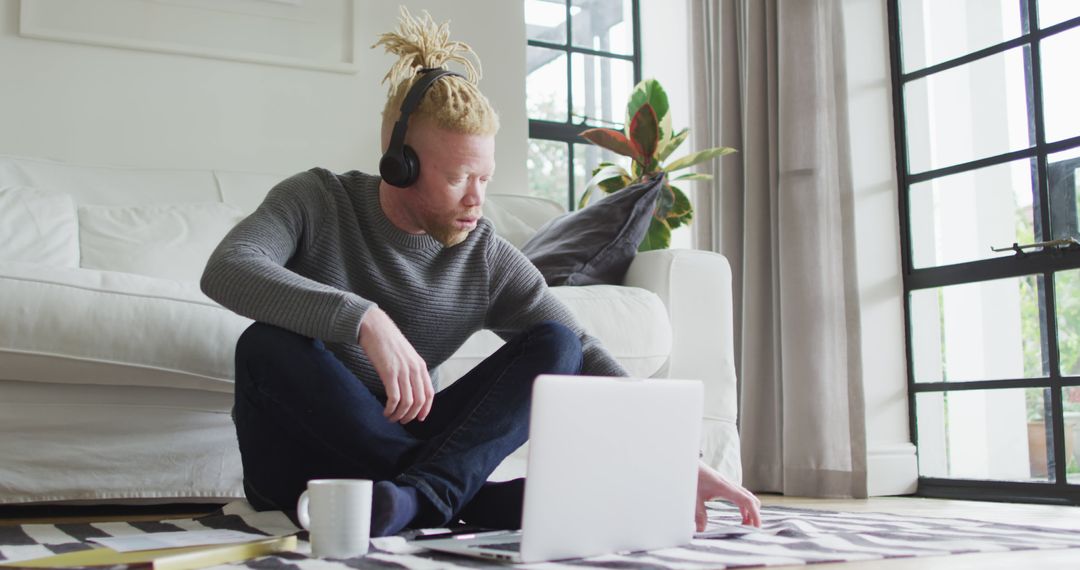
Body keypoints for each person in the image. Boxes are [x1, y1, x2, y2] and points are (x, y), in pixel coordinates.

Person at [200, 7, 761, 538]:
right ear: (401, 166)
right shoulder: (316, 199)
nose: (476, 200)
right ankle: (467, 499)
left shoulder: (485, 255)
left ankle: (419, 500)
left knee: (557, 343)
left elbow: (584, 351)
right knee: (267, 345)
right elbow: (228, 268)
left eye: (485, 179)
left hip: (400, 453)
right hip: (300, 461)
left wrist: (674, 457)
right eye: (459, 178)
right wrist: (363, 319)